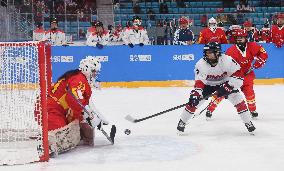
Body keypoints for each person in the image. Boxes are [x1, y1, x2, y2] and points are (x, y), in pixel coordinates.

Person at [177, 42, 256, 134]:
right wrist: (195, 94)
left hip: (226, 83)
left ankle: (248, 122)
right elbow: (199, 83)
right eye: (206, 52)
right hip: (208, 85)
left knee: (239, 102)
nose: (207, 54)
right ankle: (182, 121)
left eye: (210, 52)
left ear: (217, 52)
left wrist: (229, 86)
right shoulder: (200, 64)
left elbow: (238, 75)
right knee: (193, 104)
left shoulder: (227, 60)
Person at [47, 56, 113, 155]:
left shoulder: (81, 79)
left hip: (56, 109)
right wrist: (87, 115)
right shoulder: (79, 79)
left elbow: (83, 104)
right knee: (62, 137)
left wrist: (97, 117)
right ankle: (45, 146)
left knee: (76, 125)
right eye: (94, 71)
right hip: (49, 109)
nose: (95, 75)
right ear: (87, 69)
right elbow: (73, 99)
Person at [205, 29, 268, 119]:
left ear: (246, 38)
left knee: (250, 93)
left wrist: (260, 61)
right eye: (237, 38)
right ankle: (210, 109)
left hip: (247, 75)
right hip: (233, 77)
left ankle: (253, 110)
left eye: (241, 38)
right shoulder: (231, 51)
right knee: (222, 93)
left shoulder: (252, 46)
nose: (239, 40)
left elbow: (262, 53)